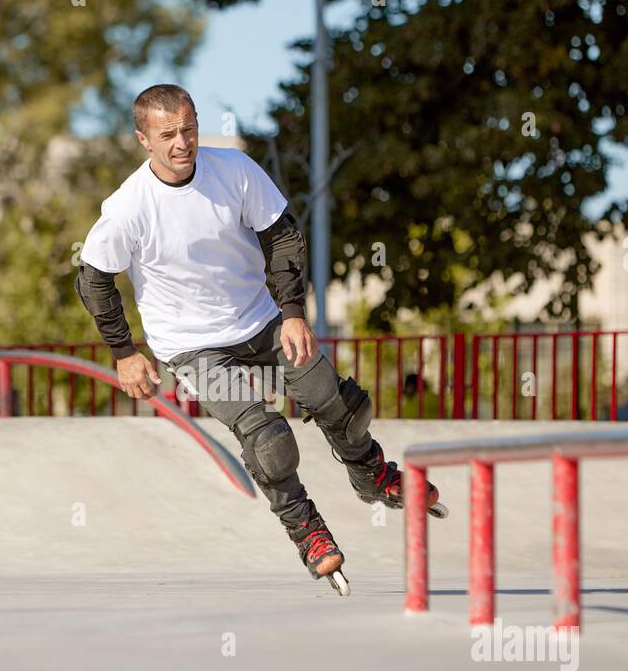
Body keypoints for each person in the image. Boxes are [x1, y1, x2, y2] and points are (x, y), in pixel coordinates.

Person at [76, 84, 440, 583]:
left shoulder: (236, 171)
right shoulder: (128, 207)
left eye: (189, 128)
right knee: (267, 436)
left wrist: (292, 310)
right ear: (143, 139)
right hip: (192, 346)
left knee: (334, 400)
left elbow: (282, 235)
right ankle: (306, 529)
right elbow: (93, 279)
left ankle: (370, 471)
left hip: (263, 319)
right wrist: (124, 351)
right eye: (168, 135)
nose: (183, 143)